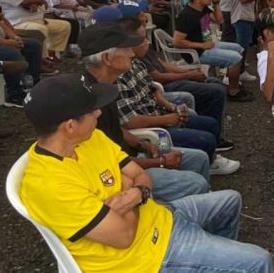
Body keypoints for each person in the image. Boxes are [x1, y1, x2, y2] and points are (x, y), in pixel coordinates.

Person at [19, 74, 274, 273]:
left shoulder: (89, 138)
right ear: (70, 126)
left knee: (231, 199)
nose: (99, 112)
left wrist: (134, 193)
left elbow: (141, 177)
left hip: (160, 217)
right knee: (259, 261)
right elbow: (124, 235)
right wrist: (134, 190)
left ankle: (212, 260)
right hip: (146, 257)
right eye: (91, 110)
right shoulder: (47, 184)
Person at [78, 23, 211, 201]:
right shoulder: (87, 101)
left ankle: (197, 206)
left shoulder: (104, 86)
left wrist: (144, 145)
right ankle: (178, 214)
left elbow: (117, 130)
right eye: (126, 50)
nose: (132, 54)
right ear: (107, 59)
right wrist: (160, 162)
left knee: (200, 158)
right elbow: (108, 164)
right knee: (196, 183)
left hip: (133, 156)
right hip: (120, 177)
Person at [174, 0, 252, 102]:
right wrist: (201, 45)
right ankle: (233, 91)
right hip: (197, 52)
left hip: (208, 45)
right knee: (236, 58)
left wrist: (216, 3)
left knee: (238, 48)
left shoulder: (202, 8)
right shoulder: (187, 15)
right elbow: (177, 42)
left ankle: (230, 80)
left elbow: (219, 20)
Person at [0, 0, 71, 62]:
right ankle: (42, 59)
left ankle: (52, 53)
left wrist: (32, 3)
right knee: (40, 30)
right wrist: (40, 0)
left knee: (64, 26)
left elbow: (29, 3)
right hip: (19, 23)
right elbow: (26, 1)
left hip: (37, 19)